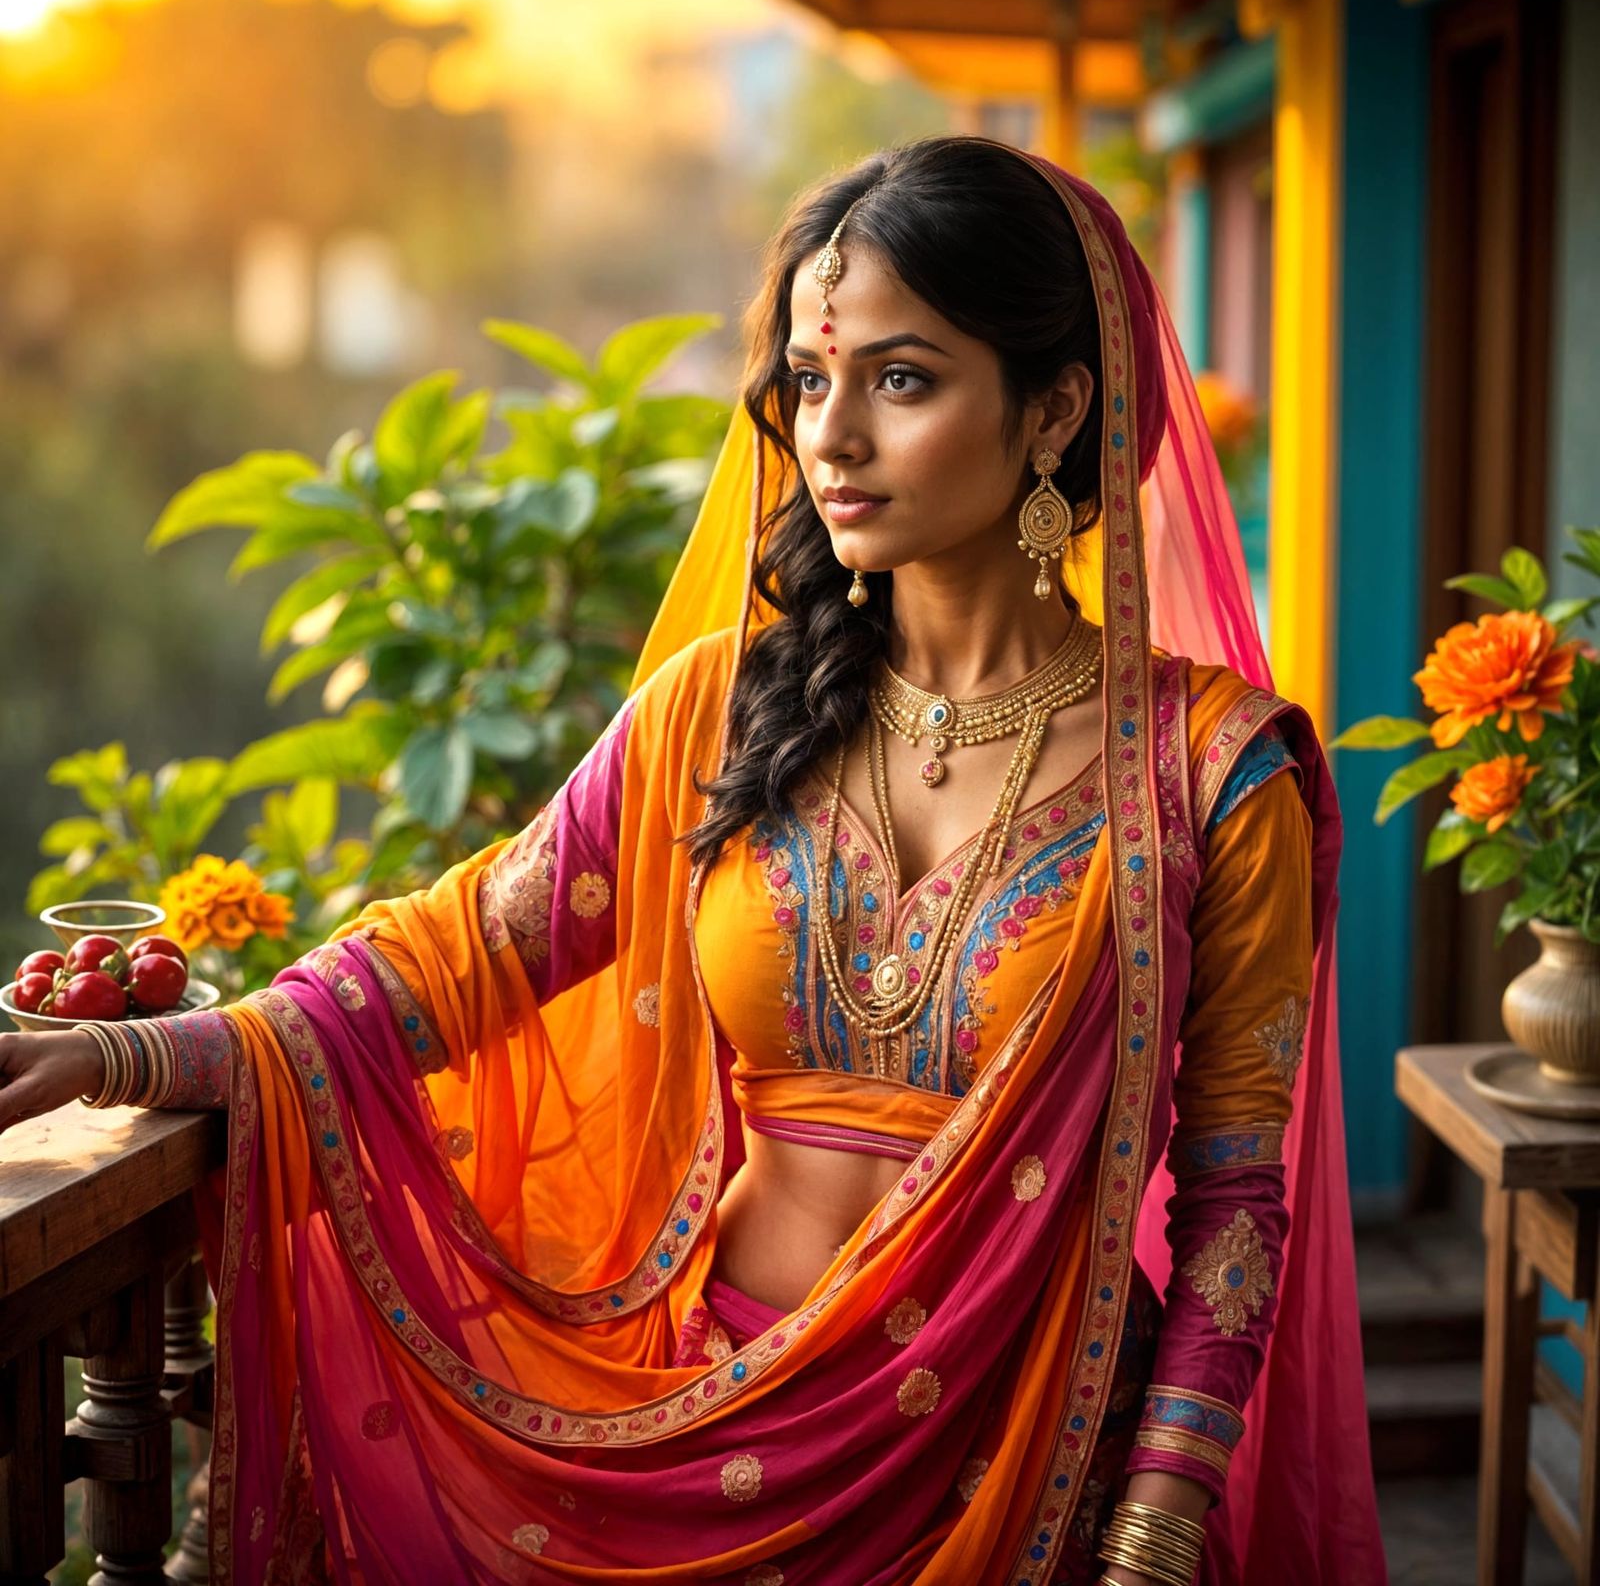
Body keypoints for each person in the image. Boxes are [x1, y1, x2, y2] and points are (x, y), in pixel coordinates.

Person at [0, 136, 1387, 1585]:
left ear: (1054, 410)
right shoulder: (723, 712)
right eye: (809, 379)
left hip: (1036, 1487)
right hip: (699, 1446)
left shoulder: (1212, 776)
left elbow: (1237, 1208)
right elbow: (469, 949)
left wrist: (1155, 1536)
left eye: (900, 380)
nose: (831, 436)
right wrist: (139, 1059)